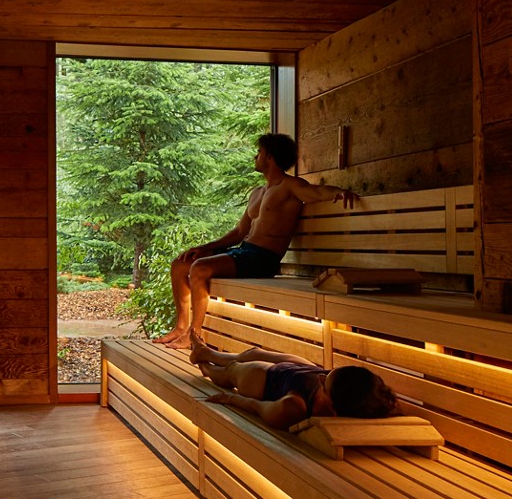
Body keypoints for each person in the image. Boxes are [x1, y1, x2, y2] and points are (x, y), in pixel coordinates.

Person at [154, 133, 359, 349]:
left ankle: (194, 336)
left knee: (199, 268)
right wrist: (205, 247)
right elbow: (240, 231)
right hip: (244, 252)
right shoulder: (257, 193)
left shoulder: (289, 186)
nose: (255, 157)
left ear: (270, 157)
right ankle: (180, 327)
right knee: (180, 264)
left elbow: (316, 192)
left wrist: (339, 192)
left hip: (263, 259)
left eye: (259, 152)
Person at [192, 344, 397, 430]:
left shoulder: (293, 406)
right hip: (300, 370)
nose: (320, 377)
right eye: (327, 374)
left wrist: (230, 398)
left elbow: (258, 407)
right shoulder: (365, 394)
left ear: (335, 409)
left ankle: (206, 366)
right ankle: (206, 352)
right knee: (251, 354)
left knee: (231, 371)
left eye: (324, 383)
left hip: (268, 379)